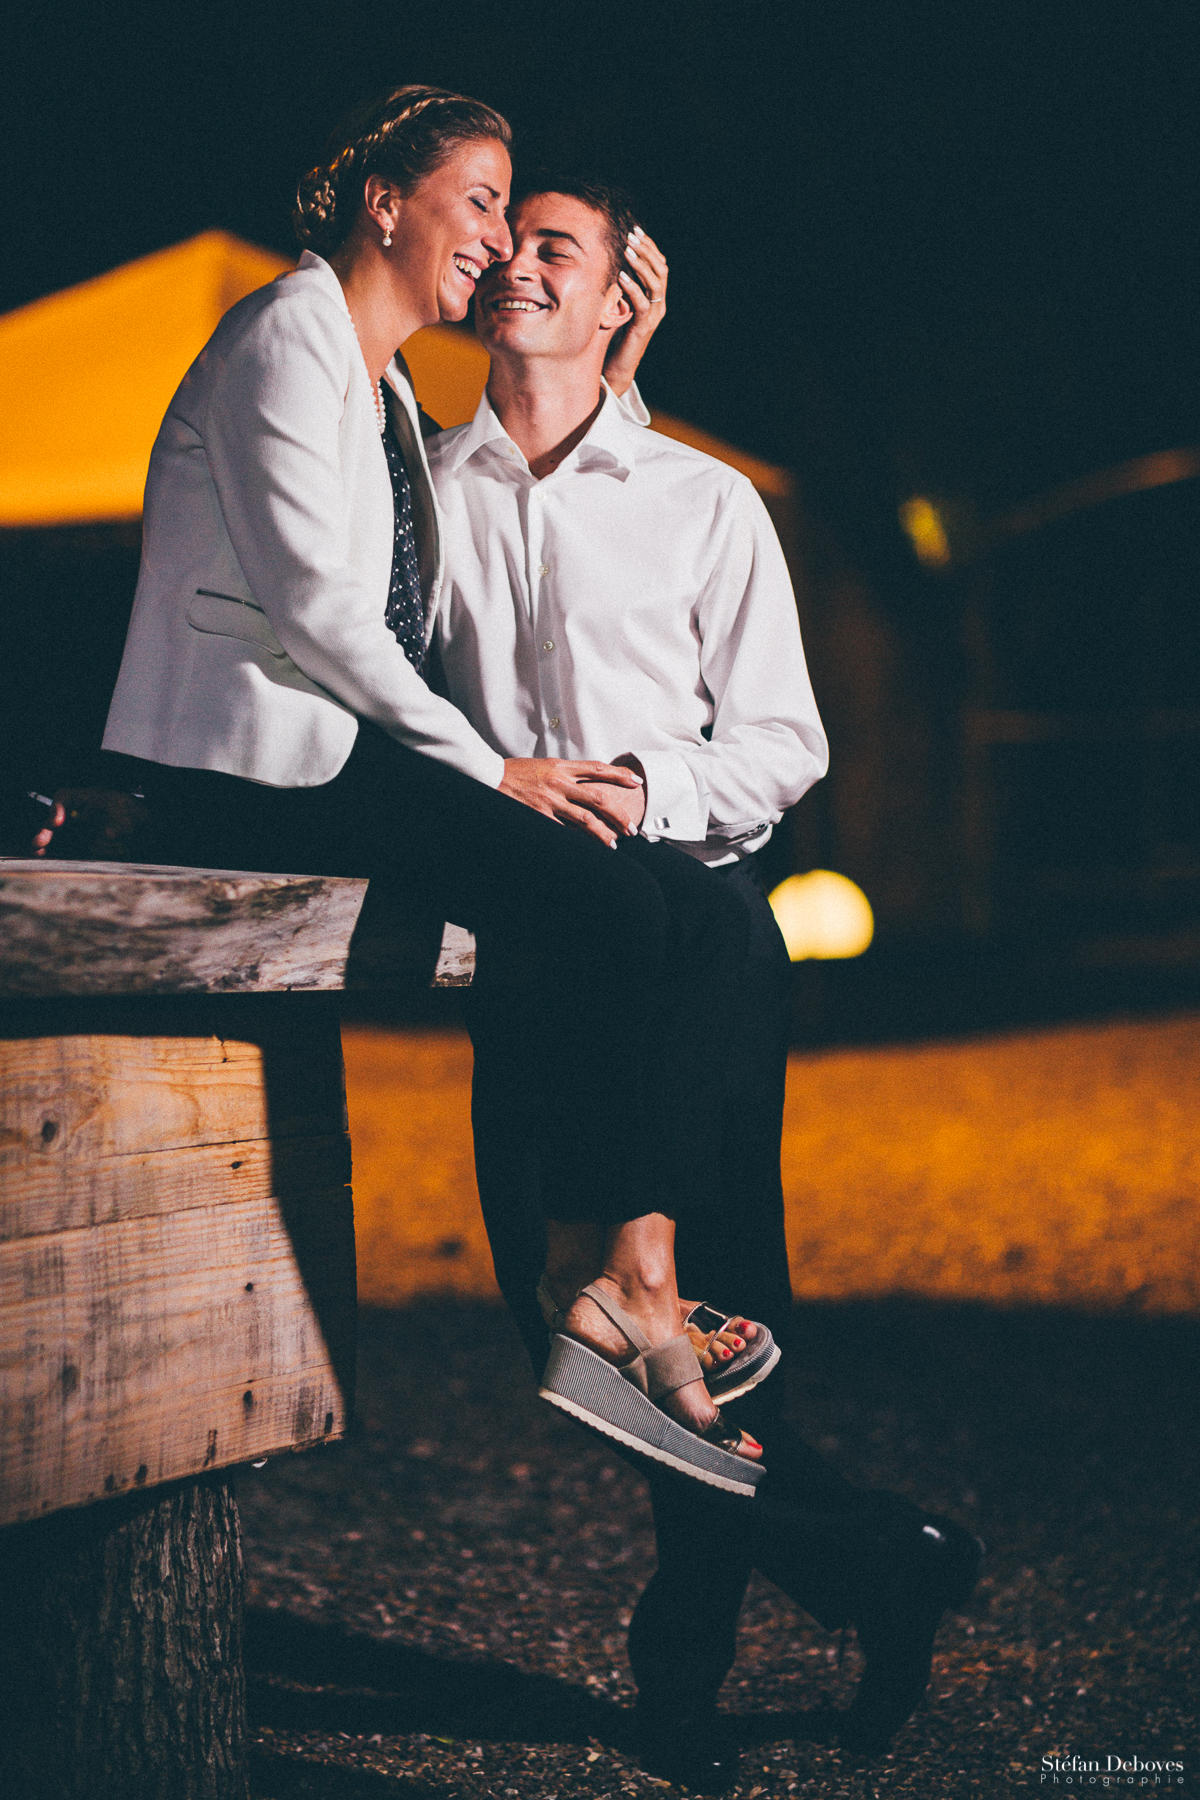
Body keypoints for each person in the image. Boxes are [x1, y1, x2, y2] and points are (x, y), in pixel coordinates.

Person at [99, 85, 768, 1489]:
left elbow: (553, 484)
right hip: (252, 759)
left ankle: (627, 1280)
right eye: (480, 201)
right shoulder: (286, 333)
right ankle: (603, 1287)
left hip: (337, 747)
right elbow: (328, 617)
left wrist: (619, 364)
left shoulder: (392, 386)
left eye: (517, 218)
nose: (496, 239)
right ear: (382, 202)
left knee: (659, 897)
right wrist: (491, 768)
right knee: (601, 901)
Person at [426, 175, 984, 1786]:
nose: (519, 258)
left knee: (710, 1330)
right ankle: (886, 1565)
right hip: (535, 959)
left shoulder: (702, 500)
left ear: (621, 298)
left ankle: (678, 1681)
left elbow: (785, 744)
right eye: (510, 238)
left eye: (560, 245)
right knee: (575, 1340)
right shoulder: (421, 496)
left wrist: (645, 790)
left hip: (699, 955)